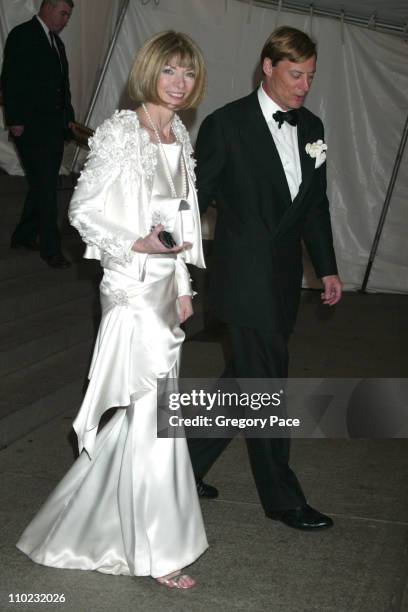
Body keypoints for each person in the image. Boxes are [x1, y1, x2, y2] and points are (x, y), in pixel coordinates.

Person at [16, 30, 208, 589]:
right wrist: (137, 246)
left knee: (151, 413)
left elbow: (180, 218)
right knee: (153, 414)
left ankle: (89, 524)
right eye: (170, 71)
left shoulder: (177, 133)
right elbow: (83, 211)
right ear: (148, 71)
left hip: (163, 289)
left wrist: (182, 281)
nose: (179, 84)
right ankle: (156, 550)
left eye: (189, 74)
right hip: (128, 285)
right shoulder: (123, 131)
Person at [189, 26, 343, 530]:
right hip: (241, 280)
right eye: (295, 74)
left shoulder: (314, 127)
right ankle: (283, 499)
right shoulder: (226, 124)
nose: (304, 86)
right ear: (268, 66)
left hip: (281, 282)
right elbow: (196, 200)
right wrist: (171, 263)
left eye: (311, 76)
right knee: (267, 388)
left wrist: (327, 268)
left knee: (242, 386)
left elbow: (314, 207)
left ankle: (181, 468)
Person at [1, 0, 75, 268]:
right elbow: (10, 79)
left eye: (68, 15)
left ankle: (22, 235)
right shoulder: (23, 35)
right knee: (46, 187)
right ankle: (50, 248)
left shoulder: (57, 44)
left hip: (54, 127)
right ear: (48, 7)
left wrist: (68, 119)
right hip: (30, 127)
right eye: (63, 13)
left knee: (42, 184)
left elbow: (62, 86)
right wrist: (15, 120)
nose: (66, 20)